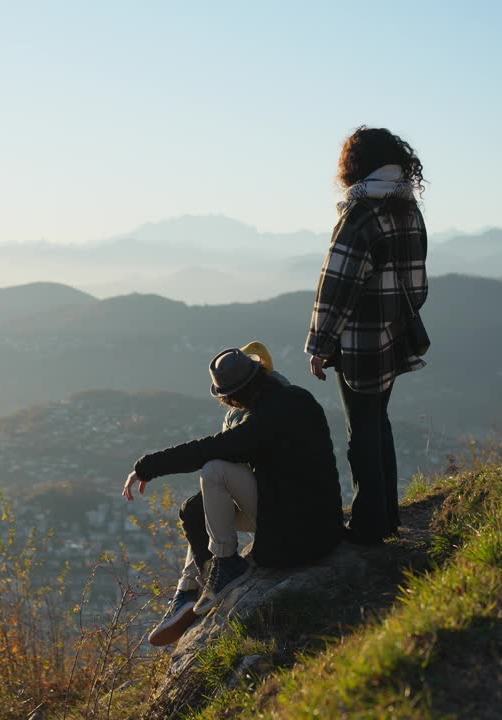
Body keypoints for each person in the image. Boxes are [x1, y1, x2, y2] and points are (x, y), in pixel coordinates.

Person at [124, 347, 342, 647]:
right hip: (318, 520)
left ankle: (224, 564)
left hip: (295, 536)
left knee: (214, 471)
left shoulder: (263, 420)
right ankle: (190, 590)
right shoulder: (295, 399)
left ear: (232, 396)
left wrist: (146, 467)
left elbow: (209, 450)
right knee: (197, 510)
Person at [305, 126, 429, 545]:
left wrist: (320, 344)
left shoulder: (359, 214)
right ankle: (387, 516)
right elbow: (417, 284)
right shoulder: (408, 209)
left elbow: (336, 285)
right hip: (393, 337)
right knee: (379, 424)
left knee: (362, 432)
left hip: (359, 342)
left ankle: (369, 525)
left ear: (354, 166)